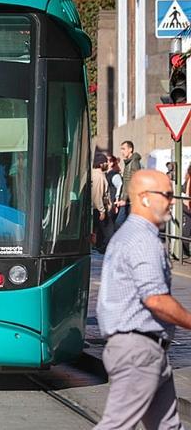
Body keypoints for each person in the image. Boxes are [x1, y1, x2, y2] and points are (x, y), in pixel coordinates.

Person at [95, 169, 191, 429]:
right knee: (117, 424)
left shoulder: (129, 235)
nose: (173, 201)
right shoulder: (142, 239)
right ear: (146, 198)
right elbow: (156, 299)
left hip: (148, 348)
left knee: (167, 426)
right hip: (138, 349)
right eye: (168, 195)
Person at [114, 140, 142, 228]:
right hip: (127, 199)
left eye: (124, 149)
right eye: (121, 149)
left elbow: (132, 181)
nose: (122, 151)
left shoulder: (134, 163)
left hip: (130, 199)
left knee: (119, 225)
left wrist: (124, 199)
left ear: (130, 149)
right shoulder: (128, 162)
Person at [91, 153, 111, 254]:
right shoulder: (98, 176)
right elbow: (97, 194)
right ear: (101, 163)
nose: (107, 164)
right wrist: (102, 211)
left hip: (96, 208)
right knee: (108, 232)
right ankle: (104, 249)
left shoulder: (94, 173)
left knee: (99, 232)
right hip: (99, 209)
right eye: (105, 162)